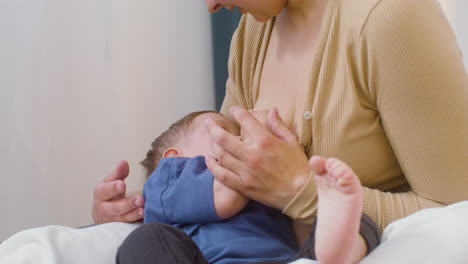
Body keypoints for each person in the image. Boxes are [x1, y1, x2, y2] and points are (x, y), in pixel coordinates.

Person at [92, 0, 468, 262]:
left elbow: (459, 214)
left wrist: (301, 191)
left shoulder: (389, 17)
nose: (211, 6)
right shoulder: (251, 34)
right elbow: (220, 171)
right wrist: (137, 207)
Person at [116, 110, 380, 264]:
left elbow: (290, 203)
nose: (239, 139)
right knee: (145, 241)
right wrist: (269, 149)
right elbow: (226, 199)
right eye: (222, 131)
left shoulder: (258, 187)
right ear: (173, 156)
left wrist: (289, 162)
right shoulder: (167, 180)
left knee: (359, 221)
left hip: (285, 260)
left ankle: (334, 250)